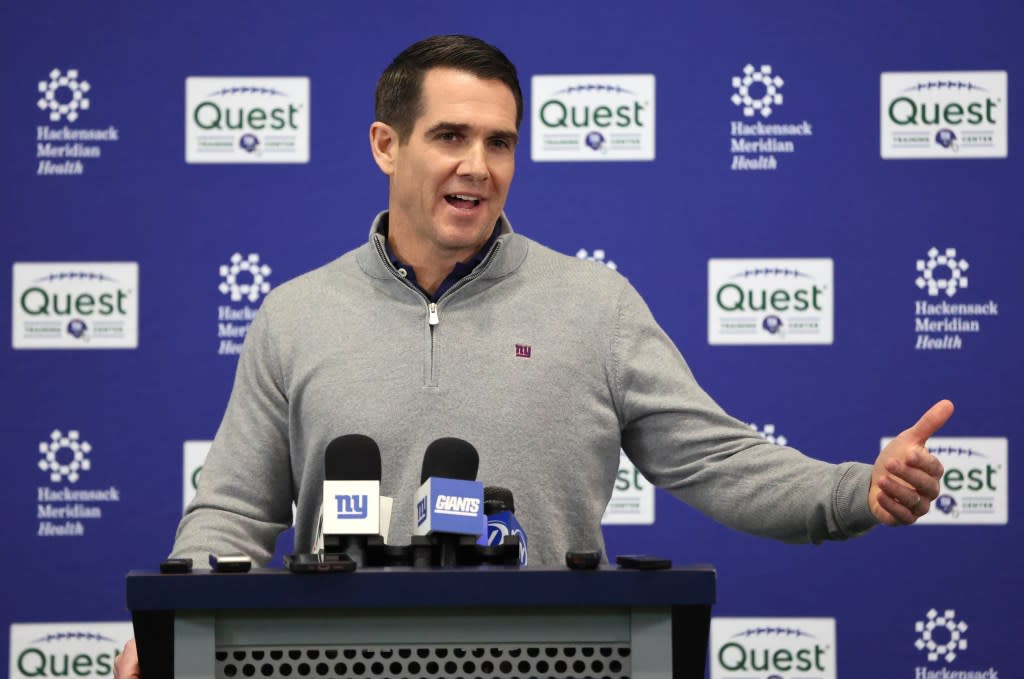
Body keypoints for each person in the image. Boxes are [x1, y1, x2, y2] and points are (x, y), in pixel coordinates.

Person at [113, 34, 949, 678]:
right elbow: (229, 508)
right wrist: (167, 628)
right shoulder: (294, 315)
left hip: (549, 656)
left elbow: (722, 459)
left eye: (500, 142)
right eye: (449, 136)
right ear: (385, 145)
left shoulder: (594, 305)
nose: (478, 166)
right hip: (332, 656)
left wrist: (857, 489)